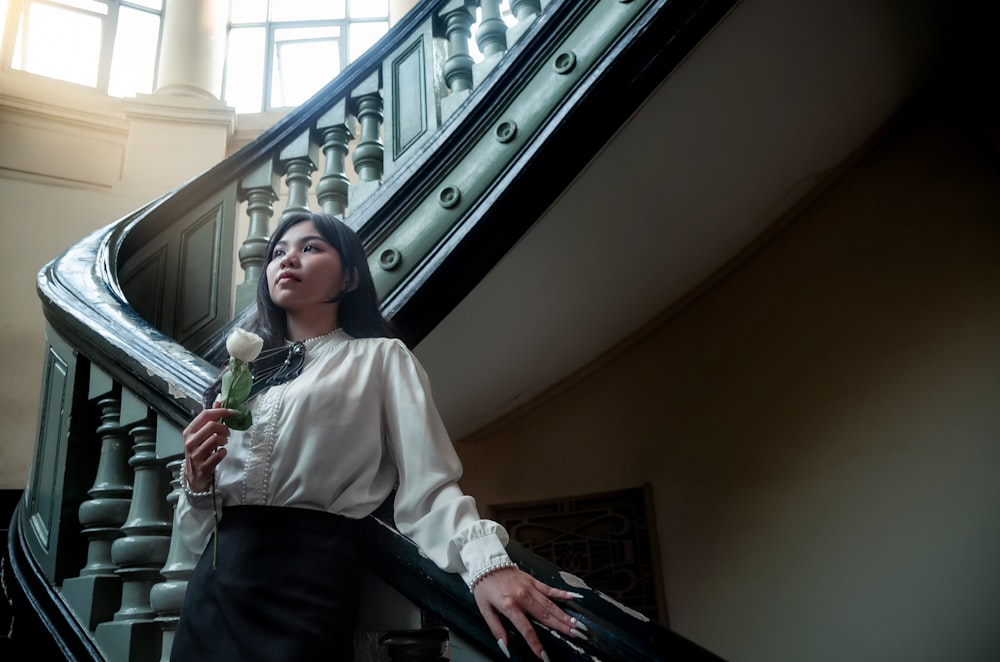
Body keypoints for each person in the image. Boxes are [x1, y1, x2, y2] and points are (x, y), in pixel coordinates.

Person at [172, 212, 586, 661]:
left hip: (307, 580)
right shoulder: (242, 377)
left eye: (309, 248)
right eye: (277, 252)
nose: (287, 258)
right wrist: (196, 481)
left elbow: (428, 486)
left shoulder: (381, 358)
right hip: (216, 585)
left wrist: (488, 563)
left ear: (349, 277)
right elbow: (194, 538)